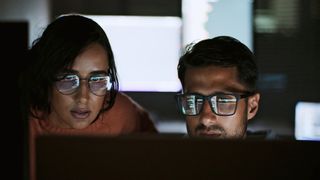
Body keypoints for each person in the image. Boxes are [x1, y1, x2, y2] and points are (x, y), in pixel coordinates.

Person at [20, 14, 158, 180]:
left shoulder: (123, 114)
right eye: (68, 79)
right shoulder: (24, 121)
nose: (83, 98)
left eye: (97, 80)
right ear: (46, 77)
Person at [175, 36, 262, 139]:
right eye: (193, 101)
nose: (206, 119)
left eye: (223, 101)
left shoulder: (280, 154)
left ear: (252, 107)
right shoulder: (165, 154)